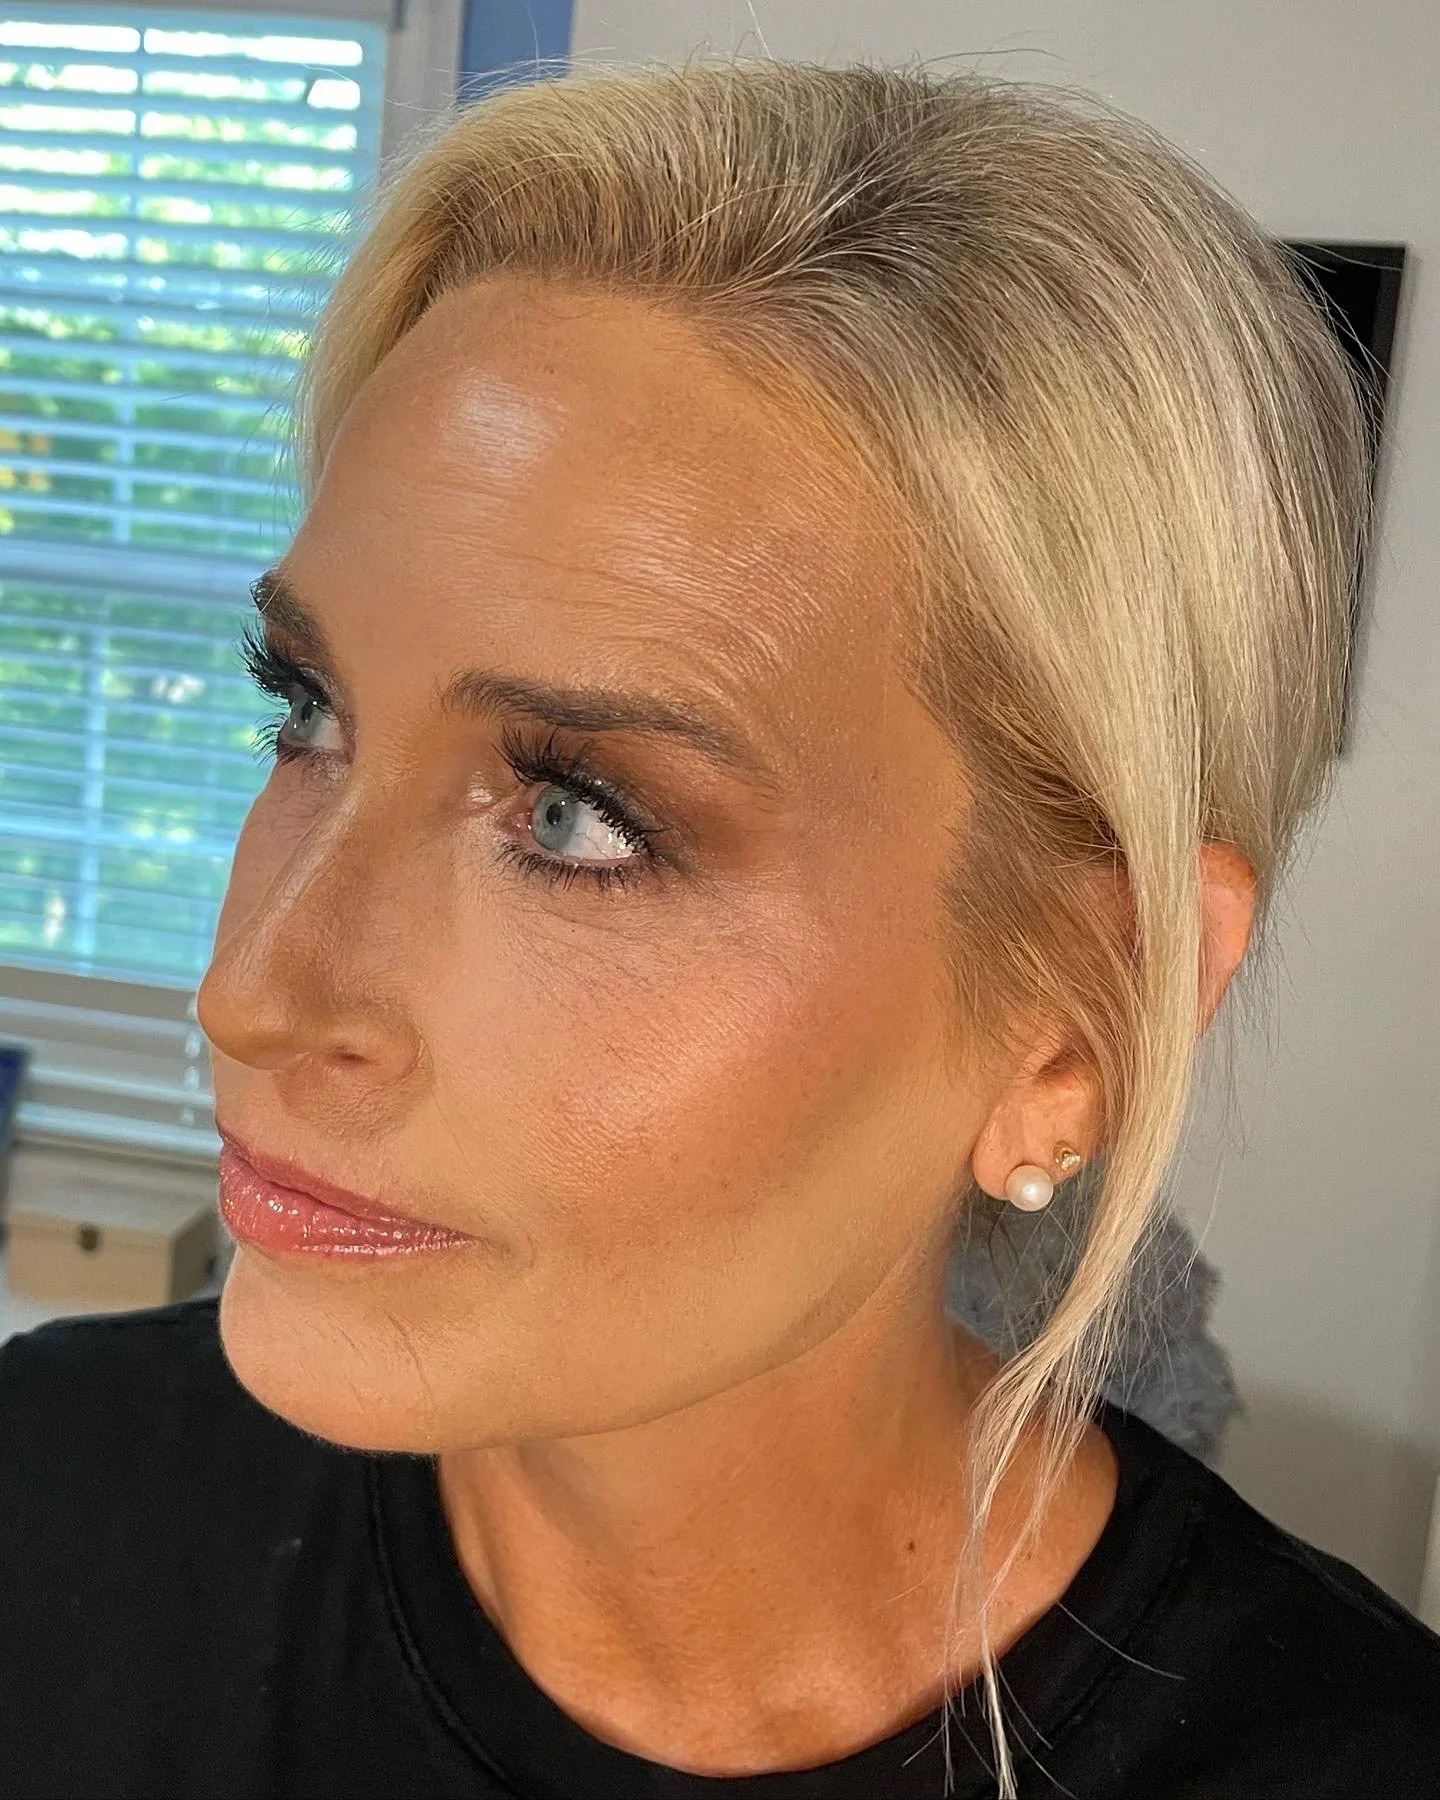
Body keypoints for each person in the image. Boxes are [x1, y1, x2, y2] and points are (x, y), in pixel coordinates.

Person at [1, 58, 1435, 1800]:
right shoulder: (45, 1503)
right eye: (305, 709)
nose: (252, 992)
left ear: (1080, 1020)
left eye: (573, 819)